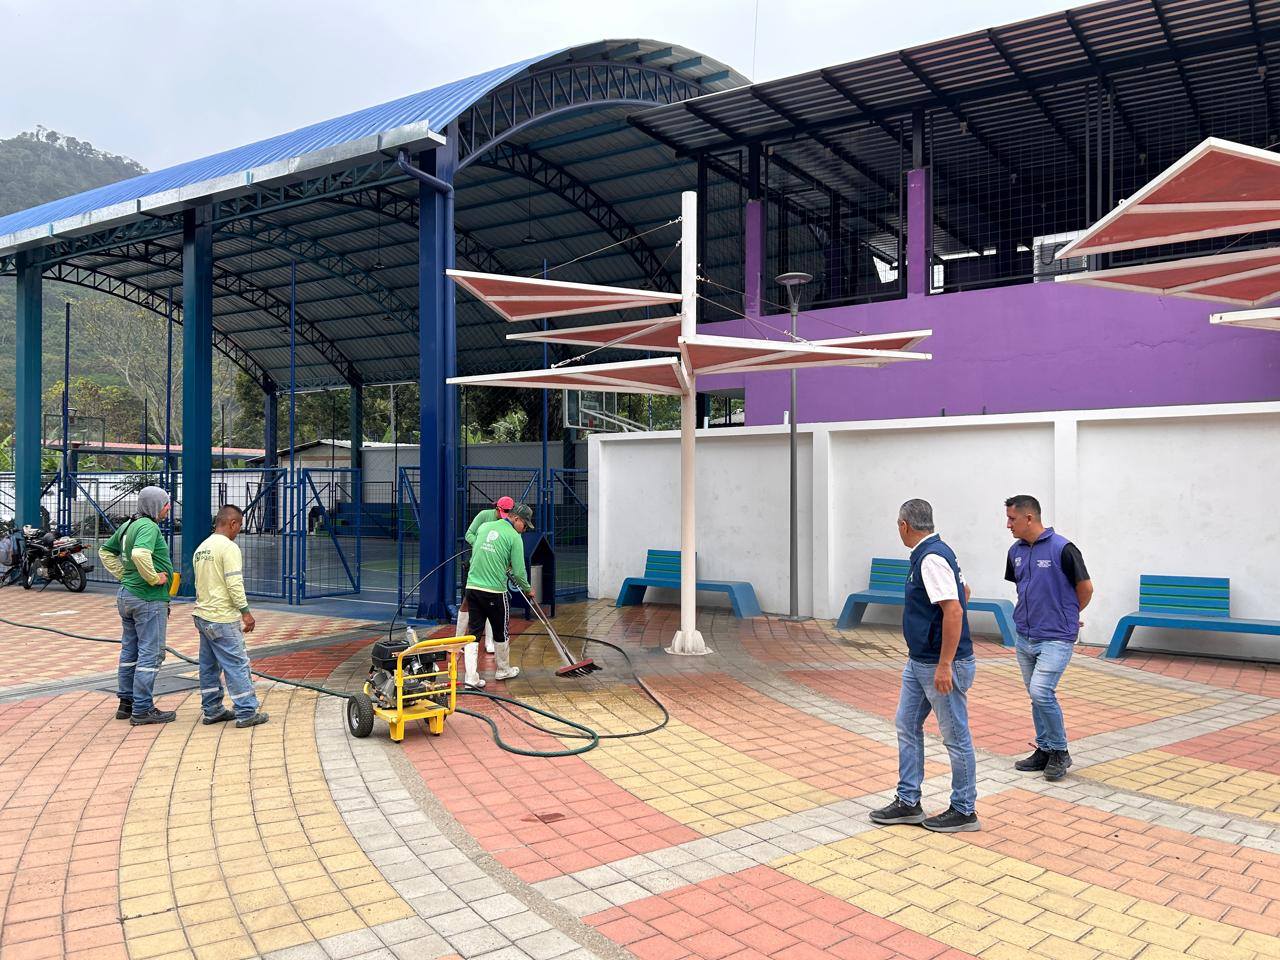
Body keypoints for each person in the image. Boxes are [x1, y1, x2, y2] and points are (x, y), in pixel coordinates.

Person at [871, 499, 980, 833]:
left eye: (898, 525)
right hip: (920, 661)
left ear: (904, 525)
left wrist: (945, 663)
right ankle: (908, 802)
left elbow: (955, 609)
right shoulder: (933, 553)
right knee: (906, 724)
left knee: (955, 736)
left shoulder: (931, 557)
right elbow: (964, 592)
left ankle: (964, 810)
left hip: (939, 665)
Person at [1004, 494, 1094, 782]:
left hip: (1055, 637)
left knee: (1041, 691)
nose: (1008, 525)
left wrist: (1068, 614)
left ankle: (1060, 751)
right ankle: (1044, 749)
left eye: (1012, 519)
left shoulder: (1063, 549)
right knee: (1035, 696)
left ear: (1029, 518)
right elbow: (1022, 588)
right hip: (1024, 636)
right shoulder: (1015, 551)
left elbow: (1086, 588)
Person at [99, 485, 177, 725]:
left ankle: (127, 703)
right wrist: (153, 578)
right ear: (155, 506)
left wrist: (125, 575)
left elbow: (105, 551)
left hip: (127, 595)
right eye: (165, 504)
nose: (168, 508)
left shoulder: (128, 525)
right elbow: (140, 554)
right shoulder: (148, 526)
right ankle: (142, 709)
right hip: (147, 598)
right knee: (151, 654)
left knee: (130, 651)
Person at [192, 504, 269, 728]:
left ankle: (212, 710)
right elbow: (234, 583)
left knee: (208, 666)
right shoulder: (228, 548)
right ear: (232, 523)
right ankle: (246, 712)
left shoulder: (202, 548)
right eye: (240, 526)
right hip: (222, 618)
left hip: (203, 616)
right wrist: (246, 612)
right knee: (237, 664)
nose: (239, 531)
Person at [460, 502, 534, 687]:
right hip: (494, 591)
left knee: (473, 633)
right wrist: (527, 588)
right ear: (515, 518)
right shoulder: (515, 537)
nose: (524, 529)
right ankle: (503, 669)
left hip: (472, 587)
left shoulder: (485, 527)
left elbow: (481, 551)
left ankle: (470, 678)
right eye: (524, 525)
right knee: (501, 630)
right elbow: (519, 572)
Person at [460, 496, 514, 655]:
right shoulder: (484, 515)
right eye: (502, 512)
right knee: (467, 602)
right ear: (497, 508)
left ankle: (489, 642)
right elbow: (469, 534)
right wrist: (481, 544)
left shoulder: (510, 524)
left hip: (496, 570)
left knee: (493, 605)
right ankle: (458, 640)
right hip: (478, 566)